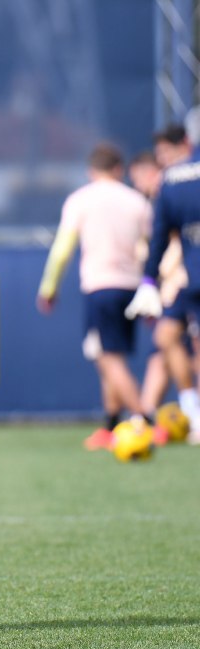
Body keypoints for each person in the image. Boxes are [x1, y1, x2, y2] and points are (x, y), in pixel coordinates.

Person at [37, 143, 157, 449]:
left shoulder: (80, 200)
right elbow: (150, 248)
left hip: (100, 286)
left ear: (91, 170)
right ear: (118, 169)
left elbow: (62, 249)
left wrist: (49, 287)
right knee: (109, 356)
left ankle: (144, 419)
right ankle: (111, 425)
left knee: (108, 358)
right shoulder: (137, 201)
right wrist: (151, 290)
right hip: (132, 286)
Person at [127, 107, 200, 442]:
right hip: (185, 281)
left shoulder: (172, 183)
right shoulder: (170, 182)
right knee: (166, 340)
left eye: (166, 152)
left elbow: (160, 238)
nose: (162, 159)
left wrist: (148, 279)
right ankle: (187, 410)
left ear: (185, 143)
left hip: (187, 278)